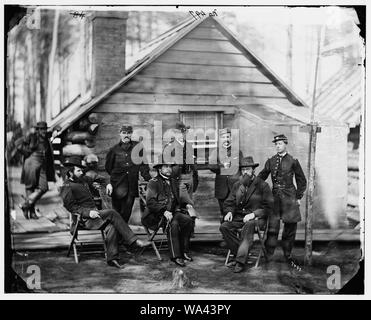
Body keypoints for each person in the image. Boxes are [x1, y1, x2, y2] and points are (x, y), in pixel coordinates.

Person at [60, 156, 151, 269]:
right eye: (78, 170)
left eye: (81, 170)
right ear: (70, 173)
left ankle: (112, 259)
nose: (81, 172)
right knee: (112, 213)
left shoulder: (83, 179)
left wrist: (107, 184)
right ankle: (133, 241)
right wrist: (88, 213)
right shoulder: (67, 186)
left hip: (96, 216)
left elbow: (102, 179)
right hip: (84, 220)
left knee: (112, 226)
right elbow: (71, 207)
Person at [258, 134, 307, 269]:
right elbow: (262, 176)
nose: (277, 146)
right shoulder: (271, 161)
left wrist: (298, 197)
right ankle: (269, 255)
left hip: (290, 198)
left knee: (290, 228)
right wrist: (257, 188)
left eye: (280, 143)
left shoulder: (293, 161)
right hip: (275, 199)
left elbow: (301, 180)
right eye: (276, 144)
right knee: (273, 228)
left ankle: (287, 255)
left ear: (285, 144)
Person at [220, 156, 273, 273]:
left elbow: (269, 208)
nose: (245, 172)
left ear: (253, 170)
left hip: (257, 219)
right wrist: (229, 211)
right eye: (243, 170)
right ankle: (241, 254)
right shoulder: (237, 185)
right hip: (239, 217)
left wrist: (254, 214)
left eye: (247, 169)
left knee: (249, 225)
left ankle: (239, 262)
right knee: (224, 226)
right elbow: (229, 202)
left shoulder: (262, 185)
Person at [142, 157, 194, 267]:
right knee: (173, 223)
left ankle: (184, 251)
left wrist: (186, 204)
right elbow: (150, 203)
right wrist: (164, 211)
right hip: (155, 215)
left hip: (172, 212)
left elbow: (177, 199)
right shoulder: (153, 182)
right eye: (165, 166)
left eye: (170, 166)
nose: (169, 169)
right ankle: (176, 256)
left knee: (188, 220)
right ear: (160, 169)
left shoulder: (173, 181)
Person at [105, 125, 151, 222]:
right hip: (117, 185)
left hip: (131, 184)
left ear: (131, 134)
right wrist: (116, 177)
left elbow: (144, 165)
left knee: (127, 211)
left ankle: (122, 234)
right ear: (120, 134)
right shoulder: (114, 149)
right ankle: (117, 235)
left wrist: (148, 178)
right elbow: (108, 167)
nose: (126, 135)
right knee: (117, 212)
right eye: (124, 133)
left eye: (129, 133)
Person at [163, 121, 199, 230]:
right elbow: (167, 166)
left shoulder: (189, 145)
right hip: (178, 178)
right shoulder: (169, 147)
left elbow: (193, 163)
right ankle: (182, 226)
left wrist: (194, 177)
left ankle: (189, 229)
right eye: (179, 132)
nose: (182, 134)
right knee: (185, 203)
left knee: (188, 201)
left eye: (184, 132)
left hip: (189, 177)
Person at [19, 121, 58, 219]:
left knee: (44, 187)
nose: (43, 131)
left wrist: (55, 131)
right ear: (38, 130)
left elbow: (58, 128)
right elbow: (18, 144)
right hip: (31, 163)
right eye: (41, 129)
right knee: (30, 187)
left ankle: (26, 204)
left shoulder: (46, 139)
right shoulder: (32, 136)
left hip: (42, 166)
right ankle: (31, 212)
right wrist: (27, 153)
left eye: (45, 129)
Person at [208, 128, 243, 223]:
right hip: (222, 187)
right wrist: (222, 166)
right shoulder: (216, 152)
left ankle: (234, 231)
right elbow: (211, 165)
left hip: (235, 186)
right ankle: (225, 232)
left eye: (227, 136)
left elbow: (242, 167)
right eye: (223, 137)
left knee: (235, 210)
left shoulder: (237, 152)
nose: (225, 139)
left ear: (231, 138)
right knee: (223, 210)